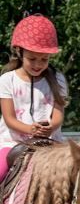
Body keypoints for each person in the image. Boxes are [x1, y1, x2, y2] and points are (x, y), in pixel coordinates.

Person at [0, 14, 69, 180]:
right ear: (19, 52)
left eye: (44, 59)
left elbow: (58, 115)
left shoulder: (58, 79)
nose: (38, 64)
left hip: (51, 143)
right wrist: (31, 129)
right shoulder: (7, 80)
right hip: (12, 144)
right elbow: (9, 119)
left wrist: (50, 128)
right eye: (32, 59)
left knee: (79, 175)